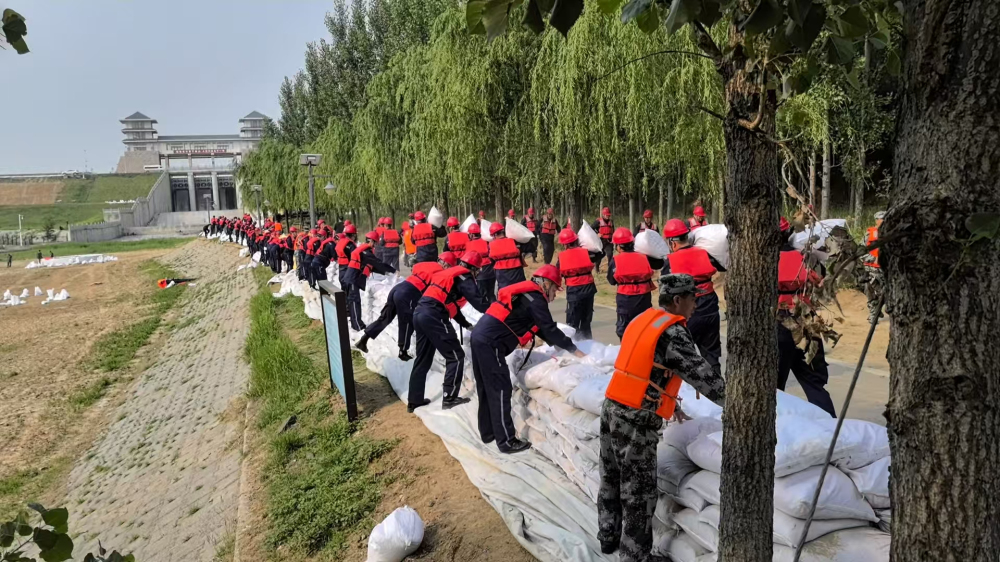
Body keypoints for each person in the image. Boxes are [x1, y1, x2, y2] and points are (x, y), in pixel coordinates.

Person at [598, 274, 726, 561]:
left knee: (611, 477)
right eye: (693, 299)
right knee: (639, 492)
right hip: (635, 420)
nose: (695, 305)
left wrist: (670, 404)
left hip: (613, 405)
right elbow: (703, 377)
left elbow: (645, 368)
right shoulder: (673, 332)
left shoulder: (645, 318)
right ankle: (635, 557)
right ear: (678, 300)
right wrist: (736, 404)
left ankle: (607, 536)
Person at [471, 265, 585, 453]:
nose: (554, 295)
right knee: (500, 389)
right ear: (546, 284)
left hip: (480, 337)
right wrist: (574, 350)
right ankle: (506, 441)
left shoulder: (526, 296)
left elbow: (541, 330)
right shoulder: (536, 298)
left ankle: (488, 432)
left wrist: (561, 349)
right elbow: (549, 328)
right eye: (554, 289)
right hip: (491, 344)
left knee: (486, 387)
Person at [408, 251, 490, 413]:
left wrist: (466, 325)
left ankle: (414, 400)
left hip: (420, 312)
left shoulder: (448, 274)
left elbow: (452, 307)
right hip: (434, 315)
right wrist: (497, 312)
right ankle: (449, 397)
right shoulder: (464, 276)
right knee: (456, 356)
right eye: (477, 271)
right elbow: (479, 302)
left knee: (422, 359)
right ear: (473, 268)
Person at [777, 217, 836, 417]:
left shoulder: (763, 263)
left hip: (779, 323)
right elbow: (819, 284)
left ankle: (777, 430)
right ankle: (829, 426)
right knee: (814, 383)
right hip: (807, 321)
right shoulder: (805, 257)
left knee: (774, 389)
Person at [662, 218, 726, 375]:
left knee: (681, 355)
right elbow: (720, 266)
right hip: (710, 308)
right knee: (711, 355)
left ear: (672, 243)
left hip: (688, 310)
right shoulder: (705, 253)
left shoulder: (670, 262)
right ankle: (717, 386)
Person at [355, 260, 443, 361]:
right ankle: (403, 351)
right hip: (408, 293)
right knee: (407, 322)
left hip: (398, 288)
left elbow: (414, 268)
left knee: (385, 318)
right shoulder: (440, 272)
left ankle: (363, 340)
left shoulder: (427, 265)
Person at [606, 228, 663, 341]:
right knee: (644, 327)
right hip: (644, 298)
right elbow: (659, 263)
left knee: (624, 330)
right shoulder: (645, 257)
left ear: (618, 246)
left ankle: (627, 349)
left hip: (625, 300)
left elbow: (611, 280)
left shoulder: (616, 260)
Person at [344, 231, 397, 332]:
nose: (375, 245)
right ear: (371, 241)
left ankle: (355, 323)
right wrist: (393, 270)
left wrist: (387, 273)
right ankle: (357, 325)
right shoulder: (366, 252)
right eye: (375, 243)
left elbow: (373, 267)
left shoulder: (363, 251)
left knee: (353, 301)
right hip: (352, 279)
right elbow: (378, 263)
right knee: (355, 301)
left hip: (351, 278)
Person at [556, 228, 598, 340]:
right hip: (589, 288)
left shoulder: (562, 256)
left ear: (565, 244)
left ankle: (573, 345)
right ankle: (588, 342)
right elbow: (599, 253)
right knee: (586, 321)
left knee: (572, 322)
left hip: (574, 290)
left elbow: (558, 272)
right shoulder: (586, 252)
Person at [862, 211, 885, 323]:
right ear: (876, 220)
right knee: (868, 289)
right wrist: (869, 258)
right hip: (870, 268)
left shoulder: (891, 234)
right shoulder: (870, 233)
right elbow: (861, 249)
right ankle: (873, 312)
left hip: (884, 269)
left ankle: (878, 309)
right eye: (880, 219)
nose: (882, 221)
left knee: (883, 292)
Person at [489, 223, 526, 289]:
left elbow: (491, 259)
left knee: (505, 291)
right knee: (521, 289)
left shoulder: (491, 245)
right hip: (517, 270)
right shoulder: (513, 241)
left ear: (495, 235)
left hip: (502, 273)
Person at [466, 223, 496, 302]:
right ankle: (495, 308)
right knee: (491, 294)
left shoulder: (469, 245)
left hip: (480, 273)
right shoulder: (486, 242)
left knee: (482, 295)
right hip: (491, 272)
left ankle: (485, 308)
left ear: (472, 234)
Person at [592, 207, 615, 273]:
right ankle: (597, 267)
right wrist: (597, 233)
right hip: (601, 241)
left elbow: (613, 231)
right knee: (599, 256)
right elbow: (591, 228)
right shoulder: (598, 221)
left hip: (609, 241)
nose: (608, 216)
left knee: (610, 255)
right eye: (606, 215)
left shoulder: (611, 222)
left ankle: (610, 269)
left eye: (608, 215)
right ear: (603, 214)